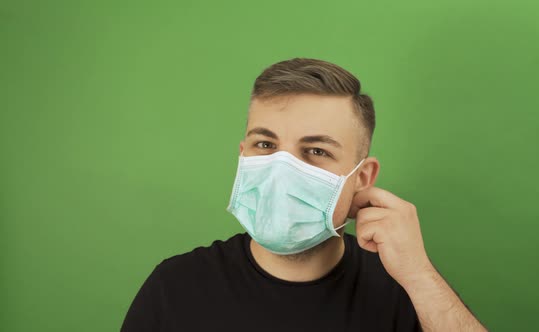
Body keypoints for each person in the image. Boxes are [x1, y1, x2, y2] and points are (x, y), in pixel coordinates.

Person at [121, 58, 487, 331]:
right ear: (243, 154)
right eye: (265, 144)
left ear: (362, 177)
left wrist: (420, 276)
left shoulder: (407, 294)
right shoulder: (175, 287)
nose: (282, 169)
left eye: (316, 151)